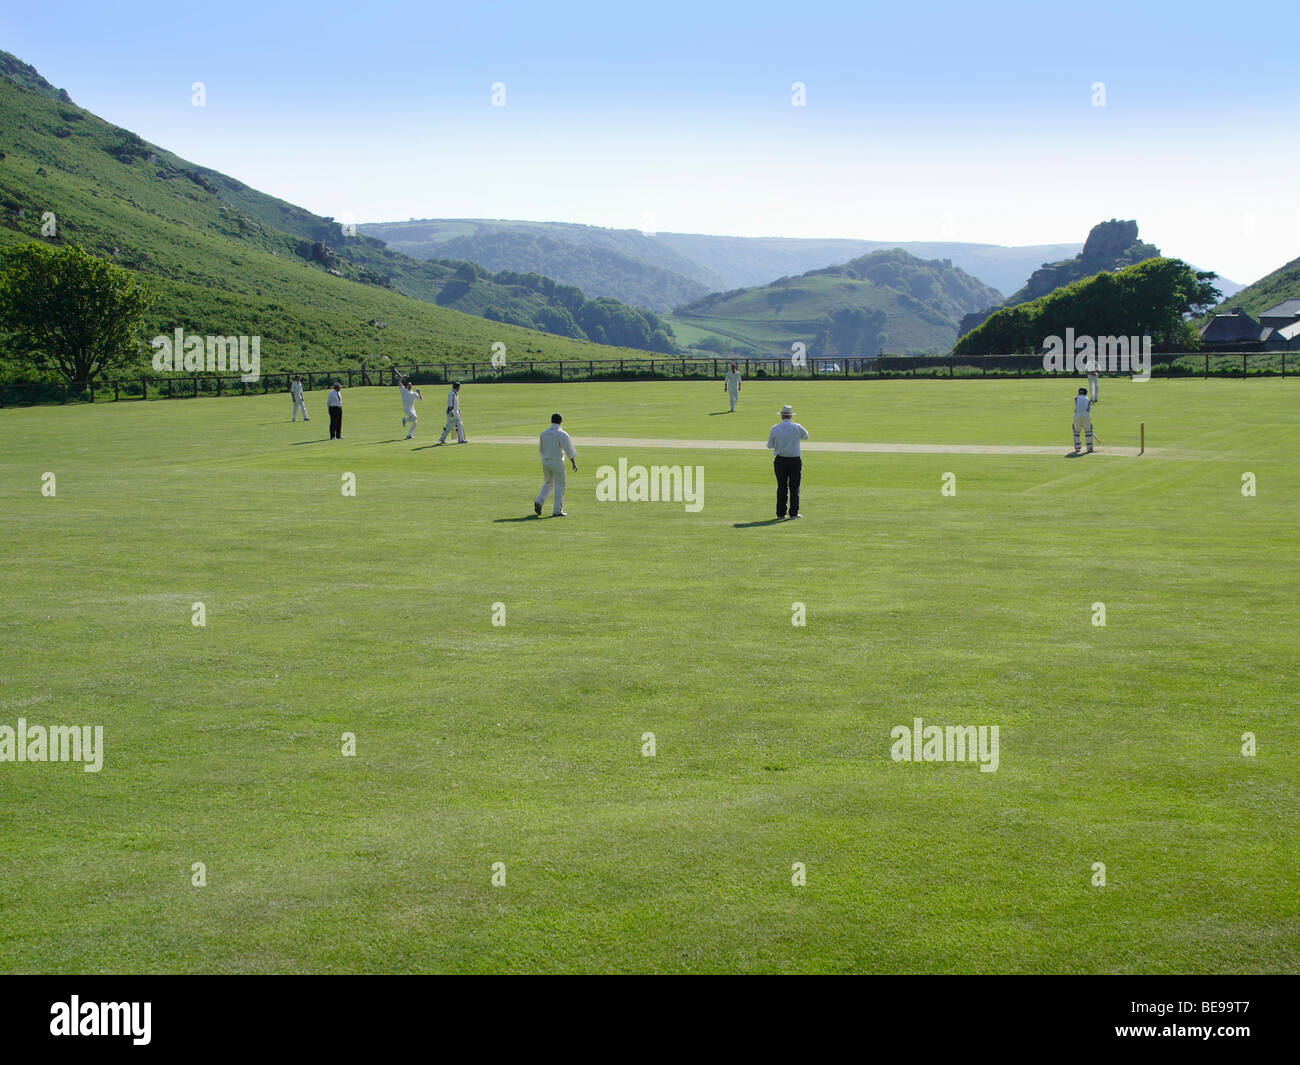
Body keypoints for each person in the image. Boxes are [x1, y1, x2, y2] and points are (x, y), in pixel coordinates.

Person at [766, 403, 809, 519]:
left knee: (782, 487)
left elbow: (769, 445)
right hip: (794, 460)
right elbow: (806, 436)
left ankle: (781, 513)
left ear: (781, 416)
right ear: (790, 416)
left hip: (780, 460)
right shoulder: (797, 427)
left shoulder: (775, 428)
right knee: (794, 487)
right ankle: (794, 513)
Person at [534, 413, 578, 517]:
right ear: (561, 421)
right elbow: (569, 450)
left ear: (551, 421)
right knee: (560, 485)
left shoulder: (543, 433)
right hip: (557, 462)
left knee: (549, 483)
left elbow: (541, 450)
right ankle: (557, 510)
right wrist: (573, 463)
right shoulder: (562, 434)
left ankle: (539, 501)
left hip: (546, 461)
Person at [1073, 388, 1093, 453]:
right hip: (1086, 414)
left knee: (1076, 432)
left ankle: (1077, 448)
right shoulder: (1089, 399)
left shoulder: (1076, 398)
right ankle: (1090, 448)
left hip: (1077, 415)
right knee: (1088, 432)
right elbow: (1088, 410)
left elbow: (1076, 404)